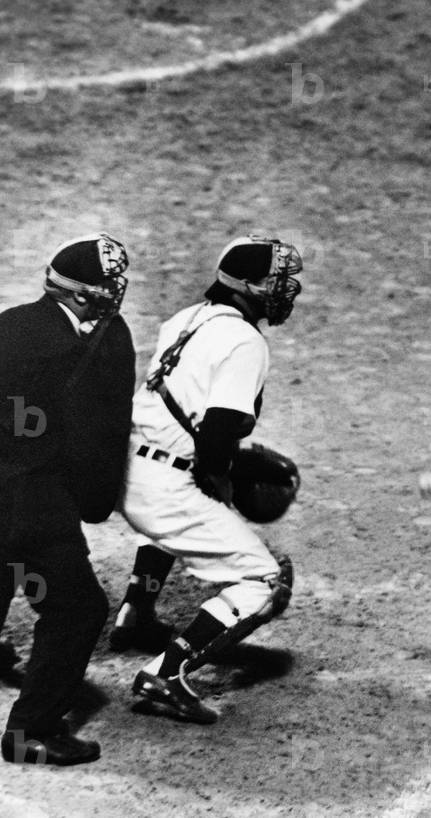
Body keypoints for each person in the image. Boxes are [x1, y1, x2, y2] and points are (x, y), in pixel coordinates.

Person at [112, 235, 301, 724]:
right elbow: (217, 429)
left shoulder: (186, 317)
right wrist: (223, 481)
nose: (286, 290)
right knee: (265, 579)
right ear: (248, 287)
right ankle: (168, 672)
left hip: (124, 466)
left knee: (187, 515)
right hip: (163, 486)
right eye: (277, 282)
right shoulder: (245, 341)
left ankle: (137, 611)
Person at [0, 233, 135, 765]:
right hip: (34, 498)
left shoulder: (10, 323)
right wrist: (91, 502)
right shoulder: (93, 347)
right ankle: (29, 732)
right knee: (78, 609)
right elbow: (94, 440)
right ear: (81, 296)